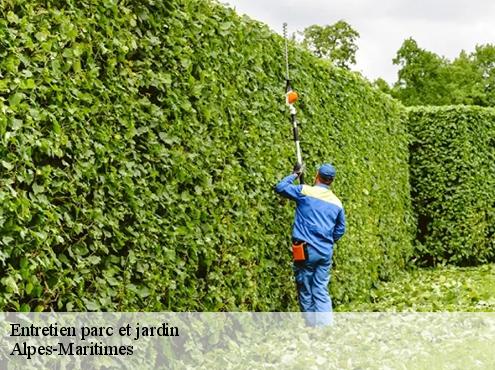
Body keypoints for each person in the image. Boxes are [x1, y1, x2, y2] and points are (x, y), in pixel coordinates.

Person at [275, 163, 346, 326]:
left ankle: (312, 325)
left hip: (305, 250)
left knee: (305, 287)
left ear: (317, 176)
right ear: (332, 181)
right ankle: (325, 328)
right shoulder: (337, 203)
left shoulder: (304, 191)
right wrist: (327, 240)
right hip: (325, 252)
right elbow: (340, 229)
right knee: (321, 288)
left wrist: (295, 174)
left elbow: (280, 187)